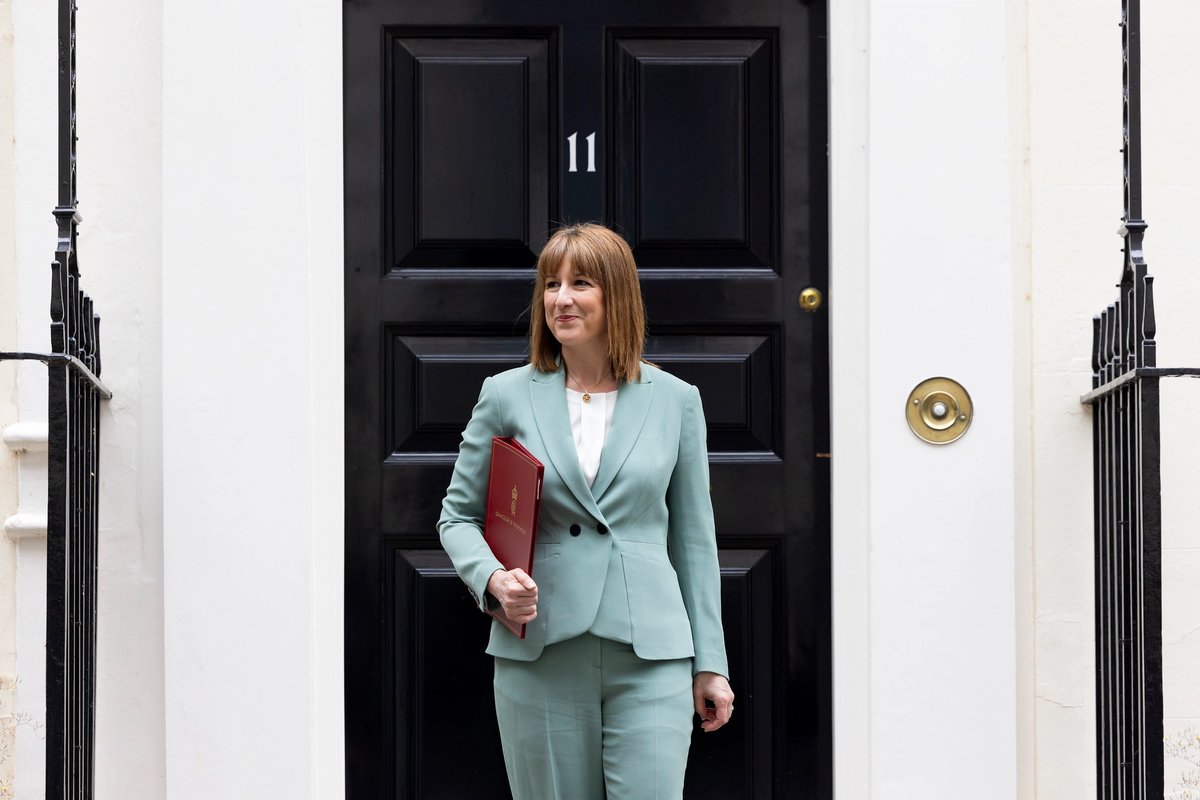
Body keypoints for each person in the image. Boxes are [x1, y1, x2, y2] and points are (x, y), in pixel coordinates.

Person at [438, 223, 733, 800]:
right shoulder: (505, 394)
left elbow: (695, 541)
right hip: (541, 649)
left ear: (616, 295)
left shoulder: (676, 400)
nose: (561, 299)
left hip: (651, 653)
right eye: (551, 284)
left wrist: (711, 662)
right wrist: (492, 579)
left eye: (581, 283)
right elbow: (457, 517)